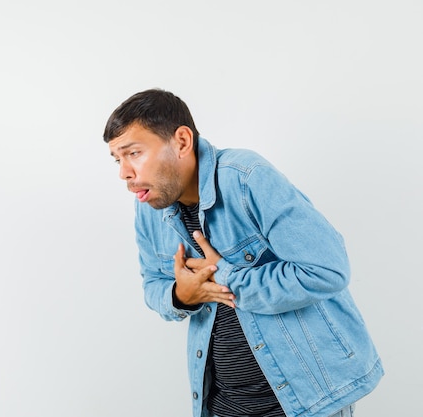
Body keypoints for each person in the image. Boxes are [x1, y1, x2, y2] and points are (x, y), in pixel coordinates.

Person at [103, 89, 383, 417]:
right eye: (117, 159)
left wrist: (225, 276)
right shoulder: (149, 206)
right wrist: (182, 295)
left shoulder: (246, 178)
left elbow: (327, 270)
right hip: (222, 404)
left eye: (133, 153)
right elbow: (153, 284)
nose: (124, 172)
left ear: (181, 141)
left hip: (304, 402)